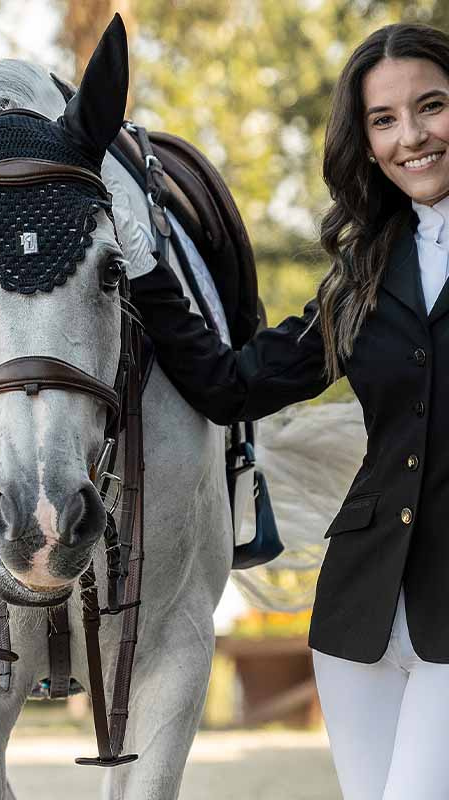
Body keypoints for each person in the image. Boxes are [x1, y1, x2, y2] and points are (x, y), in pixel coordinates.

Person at [130, 21, 449, 800]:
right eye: (383, 120)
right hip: (358, 615)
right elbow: (232, 386)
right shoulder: (366, 269)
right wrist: (142, 267)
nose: (411, 137)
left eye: (432, 106)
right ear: (365, 139)